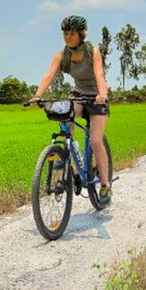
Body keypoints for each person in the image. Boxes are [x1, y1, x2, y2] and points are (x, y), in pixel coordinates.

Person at [30, 15, 112, 205]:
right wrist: (37, 95)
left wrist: (102, 94)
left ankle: (105, 185)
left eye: (72, 33)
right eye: (65, 33)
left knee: (95, 140)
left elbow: (99, 74)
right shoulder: (62, 55)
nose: (68, 37)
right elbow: (49, 75)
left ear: (82, 34)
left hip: (96, 97)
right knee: (64, 117)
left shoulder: (93, 52)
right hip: (78, 95)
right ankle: (71, 165)